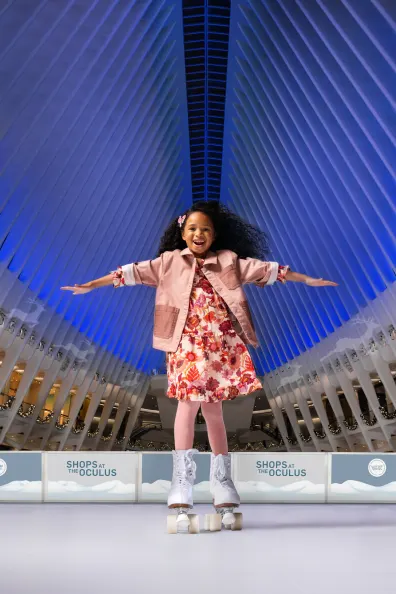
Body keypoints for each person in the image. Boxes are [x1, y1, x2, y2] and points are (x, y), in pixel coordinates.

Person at [61, 201, 338, 528]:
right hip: (184, 344)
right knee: (187, 406)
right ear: (182, 232)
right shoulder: (167, 263)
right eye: (192, 228)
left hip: (221, 345)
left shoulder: (228, 261)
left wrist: (307, 280)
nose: (198, 234)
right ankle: (182, 480)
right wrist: (93, 285)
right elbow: (129, 273)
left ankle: (222, 482)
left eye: (205, 229)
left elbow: (268, 270)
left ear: (214, 234)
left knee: (214, 411)